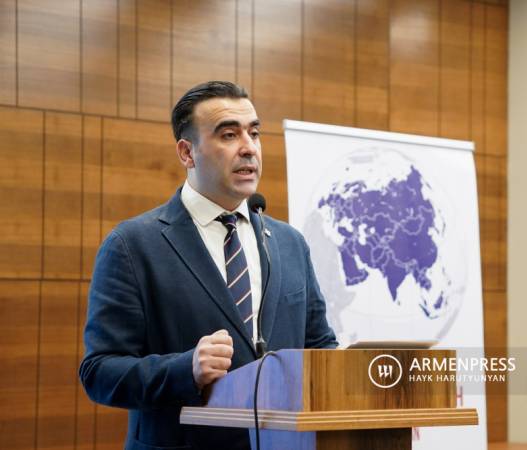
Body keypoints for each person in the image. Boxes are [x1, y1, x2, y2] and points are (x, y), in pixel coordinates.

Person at [79, 81, 338, 450]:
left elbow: (320, 347)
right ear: (187, 152)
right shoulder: (133, 245)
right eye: (229, 135)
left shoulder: (289, 243)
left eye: (254, 133)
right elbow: (100, 372)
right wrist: (185, 370)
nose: (249, 148)